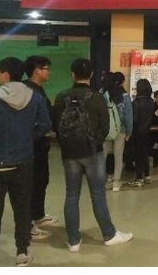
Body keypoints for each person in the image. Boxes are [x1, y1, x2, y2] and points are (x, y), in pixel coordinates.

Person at [53, 58, 133, 251]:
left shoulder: (61, 97)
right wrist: (94, 142)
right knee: (98, 195)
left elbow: (55, 124)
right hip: (92, 152)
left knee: (71, 195)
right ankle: (109, 234)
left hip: (69, 153)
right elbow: (105, 127)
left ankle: (73, 241)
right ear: (91, 75)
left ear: (72, 75)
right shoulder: (97, 98)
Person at [0, 57, 51, 267]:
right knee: (22, 210)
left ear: (6, 74)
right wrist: (28, 138)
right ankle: (22, 253)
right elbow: (45, 124)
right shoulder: (35, 98)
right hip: (23, 163)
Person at [22, 56, 57, 241]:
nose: (48, 72)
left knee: (42, 180)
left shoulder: (38, 89)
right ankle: (27, 226)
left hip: (41, 146)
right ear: (37, 70)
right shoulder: (28, 91)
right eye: (46, 69)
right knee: (32, 184)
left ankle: (38, 215)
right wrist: (40, 133)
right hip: (32, 147)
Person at [102, 73, 133, 192]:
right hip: (121, 130)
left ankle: (102, 181)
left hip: (107, 130)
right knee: (118, 156)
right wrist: (129, 131)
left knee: (103, 156)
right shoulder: (125, 97)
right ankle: (116, 182)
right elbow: (128, 116)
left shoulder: (103, 94)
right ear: (122, 82)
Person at [128, 79, 156, 187]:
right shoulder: (151, 101)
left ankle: (139, 178)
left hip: (137, 131)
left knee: (138, 155)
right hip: (148, 131)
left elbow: (134, 119)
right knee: (145, 154)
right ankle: (147, 176)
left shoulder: (136, 102)